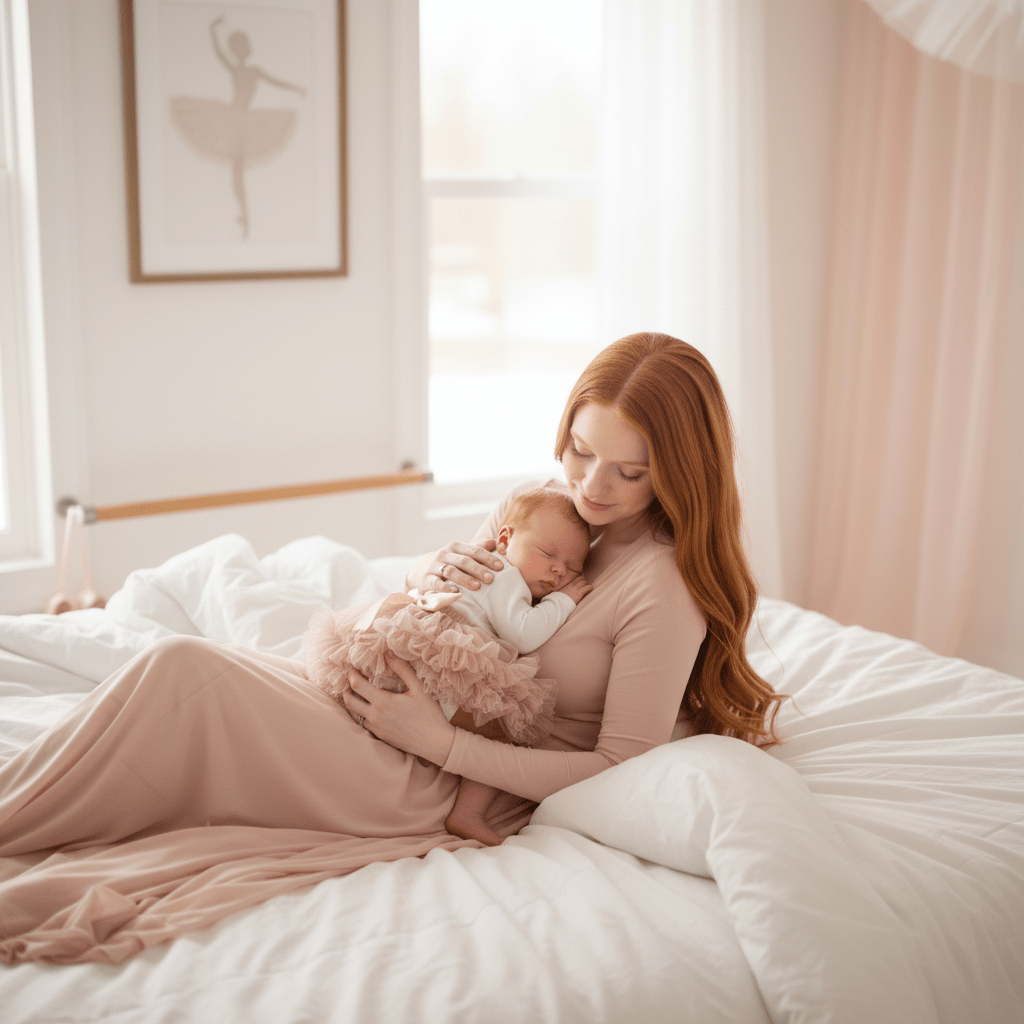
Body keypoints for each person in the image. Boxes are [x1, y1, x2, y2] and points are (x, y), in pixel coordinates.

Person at [0, 332, 785, 965]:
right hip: (392, 709)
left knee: (185, 673)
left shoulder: (664, 587)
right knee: (179, 671)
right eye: (580, 450)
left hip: (435, 773)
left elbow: (620, 765)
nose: (593, 485)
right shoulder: (552, 510)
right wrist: (423, 572)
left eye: (630, 470)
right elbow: (447, 598)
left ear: (680, 469)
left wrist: (437, 742)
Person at [305, 487, 593, 846]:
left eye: (572, 568)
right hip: (443, 656)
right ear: (504, 540)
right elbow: (523, 634)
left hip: (402, 632)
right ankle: (468, 813)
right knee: (502, 729)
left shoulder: (479, 559)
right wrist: (564, 600)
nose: (558, 569)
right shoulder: (505, 576)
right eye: (548, 553)